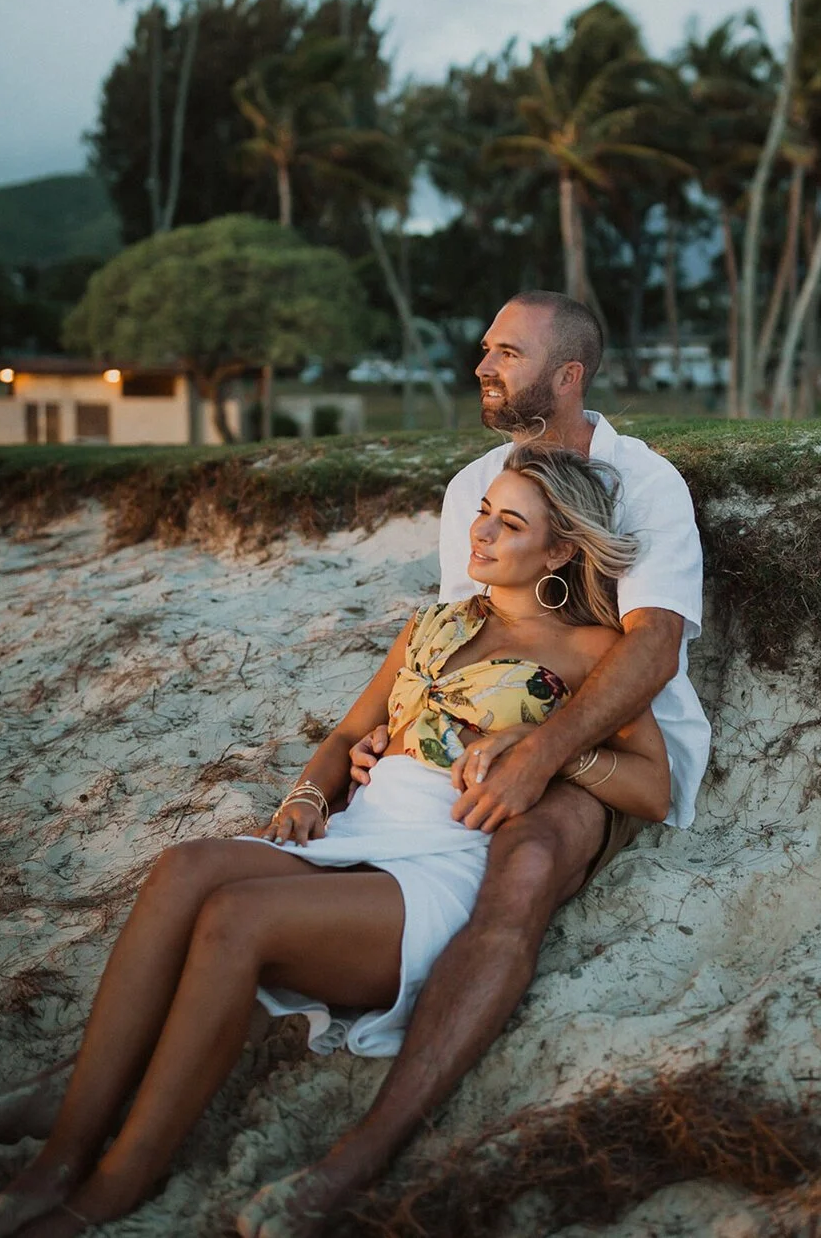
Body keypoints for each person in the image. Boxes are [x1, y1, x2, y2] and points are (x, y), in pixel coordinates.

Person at [0, 443, 669, 1238]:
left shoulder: (590, 652)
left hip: (443, 863)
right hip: (359, 830)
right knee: (183, 867)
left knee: (237, 918)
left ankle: (115, 1186)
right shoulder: (434, 624)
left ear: (559, 553)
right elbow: (350, 734)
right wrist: (310, 796)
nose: (482, 532)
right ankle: (61, 1157)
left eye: (511, 524)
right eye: (485, 511)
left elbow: (651, 789)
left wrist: (551, 749)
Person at [235, 291, 710, 1238]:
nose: (482, 366)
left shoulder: (645, 482)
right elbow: (475, 638)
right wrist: (395, 734)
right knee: (321, 857)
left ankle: (359, 1155)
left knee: (523, 866)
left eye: (507, 352)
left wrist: (545, 752)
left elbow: (651, 646)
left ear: (567, 375)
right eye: (486, 347)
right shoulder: (475, 485)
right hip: (487, 739)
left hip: (611, 746)